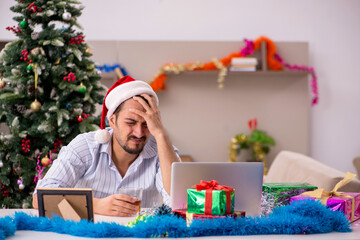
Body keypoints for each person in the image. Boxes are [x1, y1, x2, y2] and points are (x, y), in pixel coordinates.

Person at [32, 76, 180, 216]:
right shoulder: (86, 146)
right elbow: (40, 198)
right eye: (130, 123)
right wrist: (95, 205)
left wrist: (161, 134)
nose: (139, 132)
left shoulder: (162, 149)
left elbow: (179, 201)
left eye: (147, 124)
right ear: (112, 121)